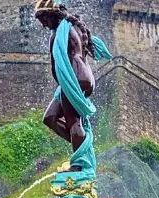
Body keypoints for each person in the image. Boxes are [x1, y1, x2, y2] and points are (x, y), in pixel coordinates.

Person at [34, 0, 112, 173]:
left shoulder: (59, 32)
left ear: (52, 15)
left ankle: (78, 165)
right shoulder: (71, 26)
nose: (43, 24)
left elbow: (57, 63)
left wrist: (64, 82)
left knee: (73, 121)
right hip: (81, 77)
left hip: (74, 78)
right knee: (50, 118)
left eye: (44, 18)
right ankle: (82, 147)